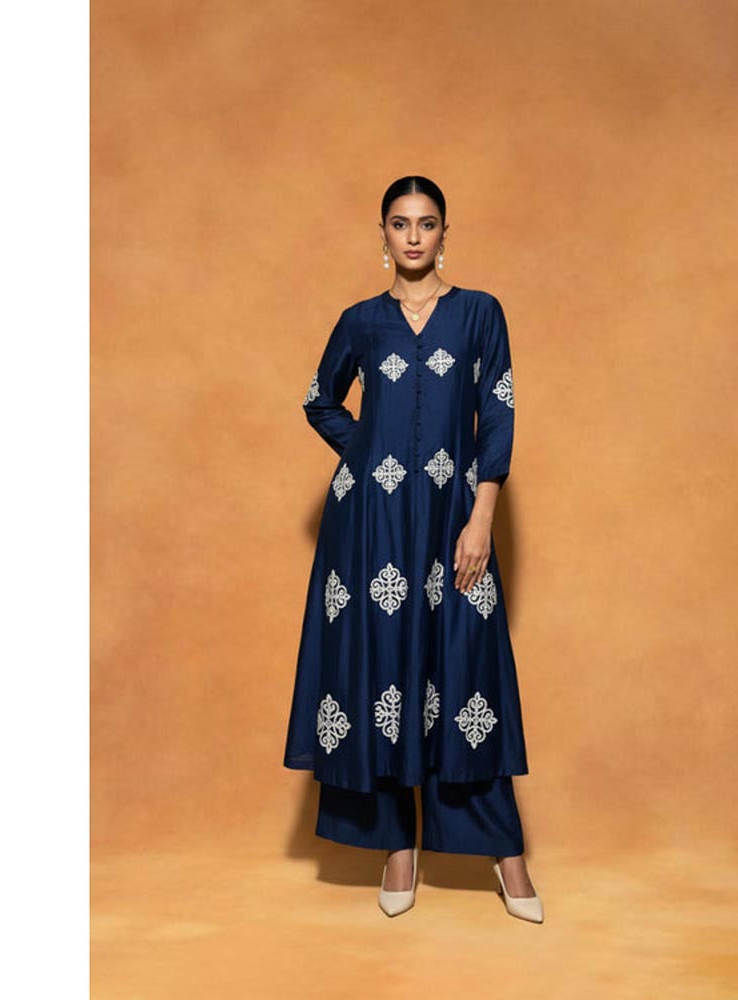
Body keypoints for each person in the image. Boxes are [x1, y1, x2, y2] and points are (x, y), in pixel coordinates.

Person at [283, 175, 542, 923]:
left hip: (454, 517)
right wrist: (369, 457)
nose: (414, 237)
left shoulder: (480, 313)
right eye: (400, 224)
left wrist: (482, 515)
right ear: (384, 236)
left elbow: (497, 413)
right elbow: (319, 398)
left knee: (465, 670)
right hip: (373, 527)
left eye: (427, 224)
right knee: (384, 670)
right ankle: (398, 848)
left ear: (444, 233)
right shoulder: (361, 321)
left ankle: (507, 858)